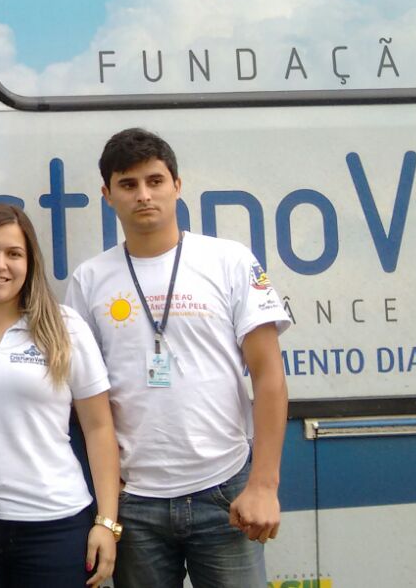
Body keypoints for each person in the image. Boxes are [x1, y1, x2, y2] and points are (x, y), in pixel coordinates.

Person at [66, 128, 291, 588]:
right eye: (128, 185)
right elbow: (85, 404)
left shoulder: (229, 261)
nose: (144, 195)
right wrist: (108, 503)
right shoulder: (89, 281)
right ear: (107, 195)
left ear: (177, 186)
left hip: (226, 491)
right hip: (135, 505)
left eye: (155, 181)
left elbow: (269, 377)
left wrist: (263, 485)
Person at [0, 203, 120, 588]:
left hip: (55, 528)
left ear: (30, 263)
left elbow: (99, 428)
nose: (0, 264)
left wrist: (107, 522)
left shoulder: (65, 328)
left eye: (14, 254)